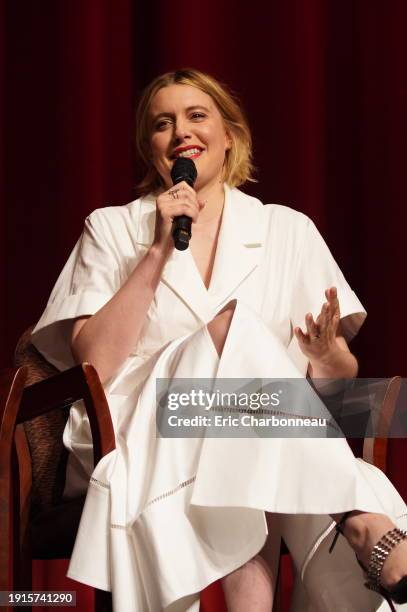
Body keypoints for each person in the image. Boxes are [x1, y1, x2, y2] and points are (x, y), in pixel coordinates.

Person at [31, 68, 407, 612]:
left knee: (243, 430)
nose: (180, 130)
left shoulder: (287, 229)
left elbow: (334, 383)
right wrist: (157, 251)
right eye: (163, 123)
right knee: (233, 329)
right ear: (151, 149)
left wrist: (327, 356)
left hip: (267, 430)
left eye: (196, 115)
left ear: (230, 135)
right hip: (144, 425)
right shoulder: (111, 228)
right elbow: (95, 363)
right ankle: (355, 517)